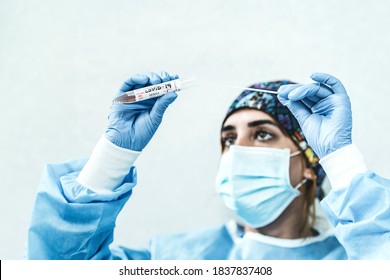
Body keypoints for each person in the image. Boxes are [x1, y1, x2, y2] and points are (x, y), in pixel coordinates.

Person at [27, 72, 390, 260]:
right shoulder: (174, 259)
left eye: (263, 135)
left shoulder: (351, 262)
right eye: (229, 139)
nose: (237, 151)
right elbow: (56, 268)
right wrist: (112, 155)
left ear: (310, 163)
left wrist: (340, 156)